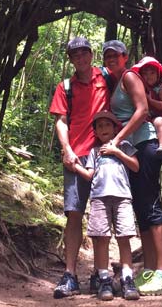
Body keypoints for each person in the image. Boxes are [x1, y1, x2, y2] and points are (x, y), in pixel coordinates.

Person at [102, 40, 162, 296]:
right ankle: (149, 269)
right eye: (107, 56)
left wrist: (116, 138)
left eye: (116, 55)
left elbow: (143, 109)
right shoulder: (114, 82)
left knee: (151, 204)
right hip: (133, 148)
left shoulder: (131, 76)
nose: (111, 59)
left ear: (125, 57)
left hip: (145, 143)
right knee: (141, 208)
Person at [49, 36, 110, 298]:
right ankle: (70, 274)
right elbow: (61, 121)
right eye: (75, 55)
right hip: (76, 156)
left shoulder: (107, 78)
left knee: (102, 215)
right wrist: (67, 150)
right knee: (74, 214)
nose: (81, 59)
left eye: (84, 53)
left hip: (103, 155)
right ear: (71, 60)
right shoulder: (65, 86)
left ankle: (101, 274)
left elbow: (135, 85)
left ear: (91, 54)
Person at [72, 110, 140, 301]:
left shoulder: (125, 145)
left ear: (115, 128)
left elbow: (135, 166)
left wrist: (116, 151)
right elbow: (89, 175)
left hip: (123, 197)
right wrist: (74, 166)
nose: (104, 128)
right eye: (100, 126)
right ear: (95, 131)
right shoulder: (94, 151)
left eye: (107, 125)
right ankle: (104, 280)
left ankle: (127, 280)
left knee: (124, 238)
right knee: (101, 239)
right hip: (99, 199)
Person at [130, 56, 162, 158]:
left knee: (160, 122)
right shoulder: (138, 86)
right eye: (145, 73)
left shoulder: (161, 86)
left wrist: (151, 101)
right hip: (144, 119)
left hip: (158, 115)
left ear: (158, 74)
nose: (149, 76)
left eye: (152, 73)